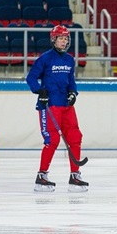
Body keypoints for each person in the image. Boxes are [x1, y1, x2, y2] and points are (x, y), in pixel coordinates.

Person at [26, 25, 88, 193]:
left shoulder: (69, 59)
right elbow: (31, 78)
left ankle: (75, 175)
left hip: (66, 106)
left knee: (75, 137)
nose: (64, 41)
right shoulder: (45, 58)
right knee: (52, 140)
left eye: (66, 39)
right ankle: (42, 175)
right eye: (61, 38)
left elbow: (71, 81)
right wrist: (40, 91)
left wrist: (73, 93)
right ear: (54, 40)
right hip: (50, 106)